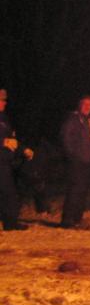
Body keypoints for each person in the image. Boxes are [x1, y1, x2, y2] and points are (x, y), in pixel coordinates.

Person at [60, 95, 90, 229]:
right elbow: (65, 137)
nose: (88, 107)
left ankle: (77, 217)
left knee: (82, 189)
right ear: (79, 105)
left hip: (87, 160)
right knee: (74, 189)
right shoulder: (73, 119)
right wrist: (72, 155)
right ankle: (67, 219)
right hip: (76, 160)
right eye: (85, 104)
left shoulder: (89, 120)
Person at [1, 88, 34, 231]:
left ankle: (10, 222)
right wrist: (2, 142)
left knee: (8, 192)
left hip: (4, 161)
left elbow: (11, 139)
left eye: (4, 100)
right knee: (8, 192)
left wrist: (23, 149)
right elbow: (5, 140)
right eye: (2, 100)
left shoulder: (4, 119)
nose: (4, 103)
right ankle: (10, 222)